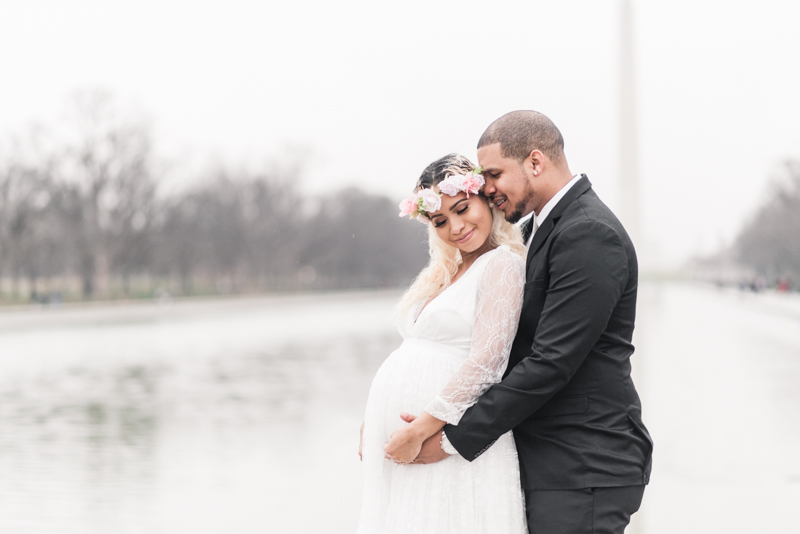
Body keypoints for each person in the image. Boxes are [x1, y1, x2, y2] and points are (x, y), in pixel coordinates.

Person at [404, 111, 653, 534]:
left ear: (535, 163)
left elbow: (551, 362)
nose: (486, 186)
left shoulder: (589, 232)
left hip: (584, 463)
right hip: (548, 459)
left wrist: (451, 439)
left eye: (495, 174)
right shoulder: (530, 230)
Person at [357, 153, 529, 534]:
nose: (456, 226)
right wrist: (377, 421)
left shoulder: (502, 264)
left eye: (462, 209)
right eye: (440, 220)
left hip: (443, 443)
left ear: (485, 198)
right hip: (411, 442)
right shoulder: (445, 273)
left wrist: (419, 431)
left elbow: (487, 362)